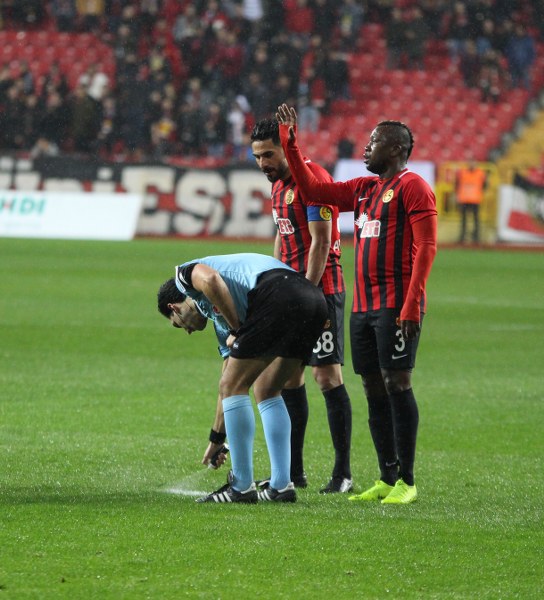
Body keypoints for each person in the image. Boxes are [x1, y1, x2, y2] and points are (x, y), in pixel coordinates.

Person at [276, 103, 438, 504]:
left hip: (396, 304)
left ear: (397, 148)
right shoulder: (365, 191)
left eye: (373, 142)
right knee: (372, 386)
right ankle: (386, 477)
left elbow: (427, 247)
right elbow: (315, 191)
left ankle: (408, 481)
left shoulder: (413, 186)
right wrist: (291, 147)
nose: (365, 149)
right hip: (363, 307)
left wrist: (412, 304)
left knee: (398, 382)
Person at [157, 253, 328, 503]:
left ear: (174, 307)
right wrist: (217, 437)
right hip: (312, 300)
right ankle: (281, 485)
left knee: (235, 386)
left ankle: (241, 487)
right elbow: (228, 377)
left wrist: (238, 329)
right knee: (267, 389)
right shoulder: (219, 315)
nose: (188, 331)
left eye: (178, 323)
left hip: (278, 294)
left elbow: (212, 279)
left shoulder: (183, 275)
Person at [250, 118, 354, 494]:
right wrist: (275, 280)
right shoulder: (278, 187)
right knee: (289, 377)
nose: (263, 163)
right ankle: (293, 472)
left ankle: (342, 474)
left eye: (268, 154)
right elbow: (283, 235)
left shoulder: (314, 181)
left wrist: (306, 296)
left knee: (326, 377)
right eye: (257, 157)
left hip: (320, 294)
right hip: (290, 294)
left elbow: (321, 243)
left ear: (285, 149)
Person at [456, 160, 487, 244]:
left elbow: (484, 185)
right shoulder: (462, 172)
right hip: (464, 199)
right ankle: (462, 237)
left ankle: (476, 237)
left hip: (475, 200)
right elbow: (457, 184)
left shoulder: (480, 173)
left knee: (476, 219)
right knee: (464, 220)